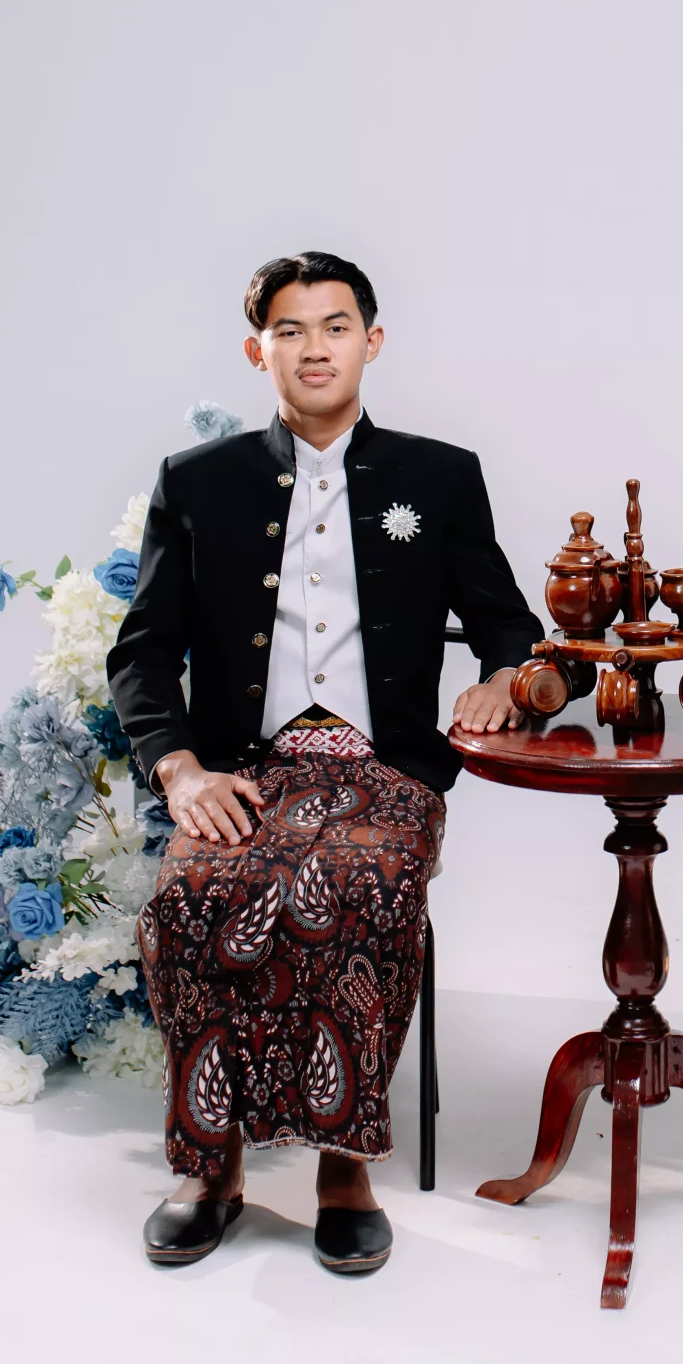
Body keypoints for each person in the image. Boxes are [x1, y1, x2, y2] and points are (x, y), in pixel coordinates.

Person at [107, 250, 542, 1277]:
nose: (315, 348)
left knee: (361, 887)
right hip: (244, 767)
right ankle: (212, 1165)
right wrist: (181, 772)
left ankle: (345, 1166)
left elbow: (512, 629)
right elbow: (142, 650)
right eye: (291, 331)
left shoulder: (440, 475)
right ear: (256, 350)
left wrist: (505, 680)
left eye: (335, 327)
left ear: (371, 342)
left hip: (384, 768)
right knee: (193, 894)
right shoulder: (195, 481)